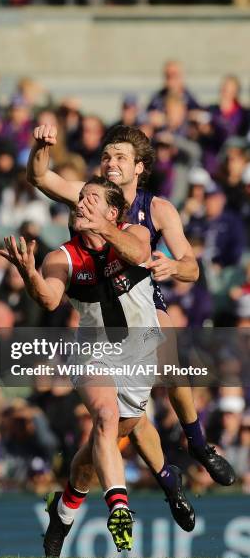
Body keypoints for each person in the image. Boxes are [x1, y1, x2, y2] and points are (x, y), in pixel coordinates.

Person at [26, 124, 235, 491]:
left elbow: (192, 266)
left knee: (171, 359)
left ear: (139, 167)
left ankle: (198, 444)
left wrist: (174, 267)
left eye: (120, 157)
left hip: (137, 295)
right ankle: (164, 479)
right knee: (128, 419)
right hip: (96, 303)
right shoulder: (89, 195)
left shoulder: (157, 208)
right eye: (106, 156)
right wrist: (41, 146)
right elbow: (40, 175)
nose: (110, 163)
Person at [0, 177, 195, 554]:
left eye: (91, 199)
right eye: (79, 199)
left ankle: (65, 509)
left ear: (112, 211)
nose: (81, 204)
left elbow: (138, 254)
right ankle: (119, 508)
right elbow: (50, 300)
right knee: (104, 418)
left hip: (139, 356)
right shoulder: (62, 256)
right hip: (92, 353)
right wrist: (29, 274)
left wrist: (103, 226)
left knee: (104, 441)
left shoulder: (134, 232)